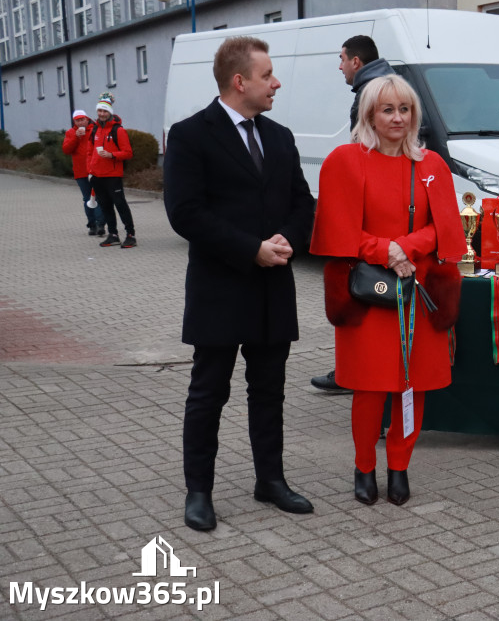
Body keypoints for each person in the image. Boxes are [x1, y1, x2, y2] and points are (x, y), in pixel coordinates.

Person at [163, 36, 316, 531]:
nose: (275, 82)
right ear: (239, 81)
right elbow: (185, 213)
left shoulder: (280, 136)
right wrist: (250, 249)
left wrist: (289, 238)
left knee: (268, 392)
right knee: (209, 393)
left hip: (273, 289)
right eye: (267, 74)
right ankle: (199, 493)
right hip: (221, 288)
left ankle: (270, 481)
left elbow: (302, 203)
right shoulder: (190, 135)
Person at [309, 74, 463, 506]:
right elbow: (338, 230)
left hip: (419, 290)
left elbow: (446, 228)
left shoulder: (431, 166)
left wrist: (406, 247)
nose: (397, 118)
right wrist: (385, 249)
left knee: (410, 386)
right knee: (370, 388)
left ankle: (399, 467)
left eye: (405, 109)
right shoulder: (345, 160)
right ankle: (363, 468)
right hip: (369, 295)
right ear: (369, 115)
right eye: (387, 109)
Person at [311, 34, 396, 393]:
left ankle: (357, 370)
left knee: (362, 288)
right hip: (383, 202)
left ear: (356, 61)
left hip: (371, 206)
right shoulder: (386, 84)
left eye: (342, 58)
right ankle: (367, 368)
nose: (340, 65)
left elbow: (365, 150)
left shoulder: (372, 91)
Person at [89, 95, 137, 248]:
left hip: (113, 176)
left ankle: (130, 235)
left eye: (104, 111)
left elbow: (128, 153)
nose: (101, 114)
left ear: (109, 112)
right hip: (97, 175)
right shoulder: (95, 129)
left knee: (120, 204)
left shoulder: (118, 130)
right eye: (99, 111)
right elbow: (90, 152)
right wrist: (90, 171)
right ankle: (113, 234)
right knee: (105, 206)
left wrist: (112, 155)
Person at [62, 109, 106, 236]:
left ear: (87, 119)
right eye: (77, 120)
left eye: (82, 119)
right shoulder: (71, 133)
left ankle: (100, 224)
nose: (80, 122)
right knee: (87, 198)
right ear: (74, 121)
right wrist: (76, 137)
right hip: (81, 171)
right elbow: (66, 149)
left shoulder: (95, 130)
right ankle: (92, 225)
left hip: (96, 169)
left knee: (98, 197)